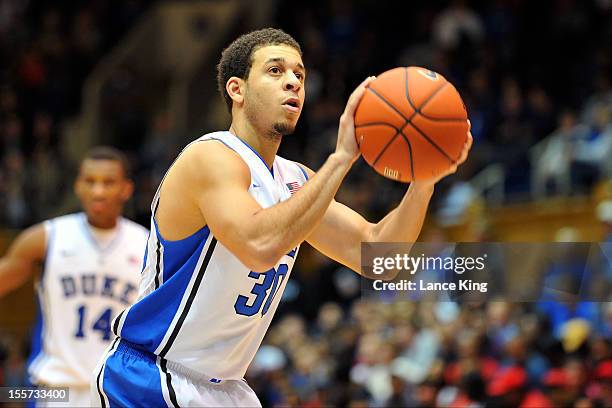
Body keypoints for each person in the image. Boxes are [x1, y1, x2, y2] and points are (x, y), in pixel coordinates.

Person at [93, 28, 472, 407]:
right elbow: (259, 246)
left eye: (300, 75)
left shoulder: (295, 180)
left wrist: (423, 183)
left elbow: (379, 258)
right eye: (275, 71)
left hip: (225, 388)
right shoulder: (210, 158)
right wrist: (341, 159)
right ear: (237, 90)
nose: (292, 81)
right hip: (151, 378)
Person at [0, 146, 148, 407]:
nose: (98, 191)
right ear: (78, 186)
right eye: (90, 181)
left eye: (108, 182)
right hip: (56, 390)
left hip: (116, 390)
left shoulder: (148, 245)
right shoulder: (46, 238)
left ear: (126, 188)